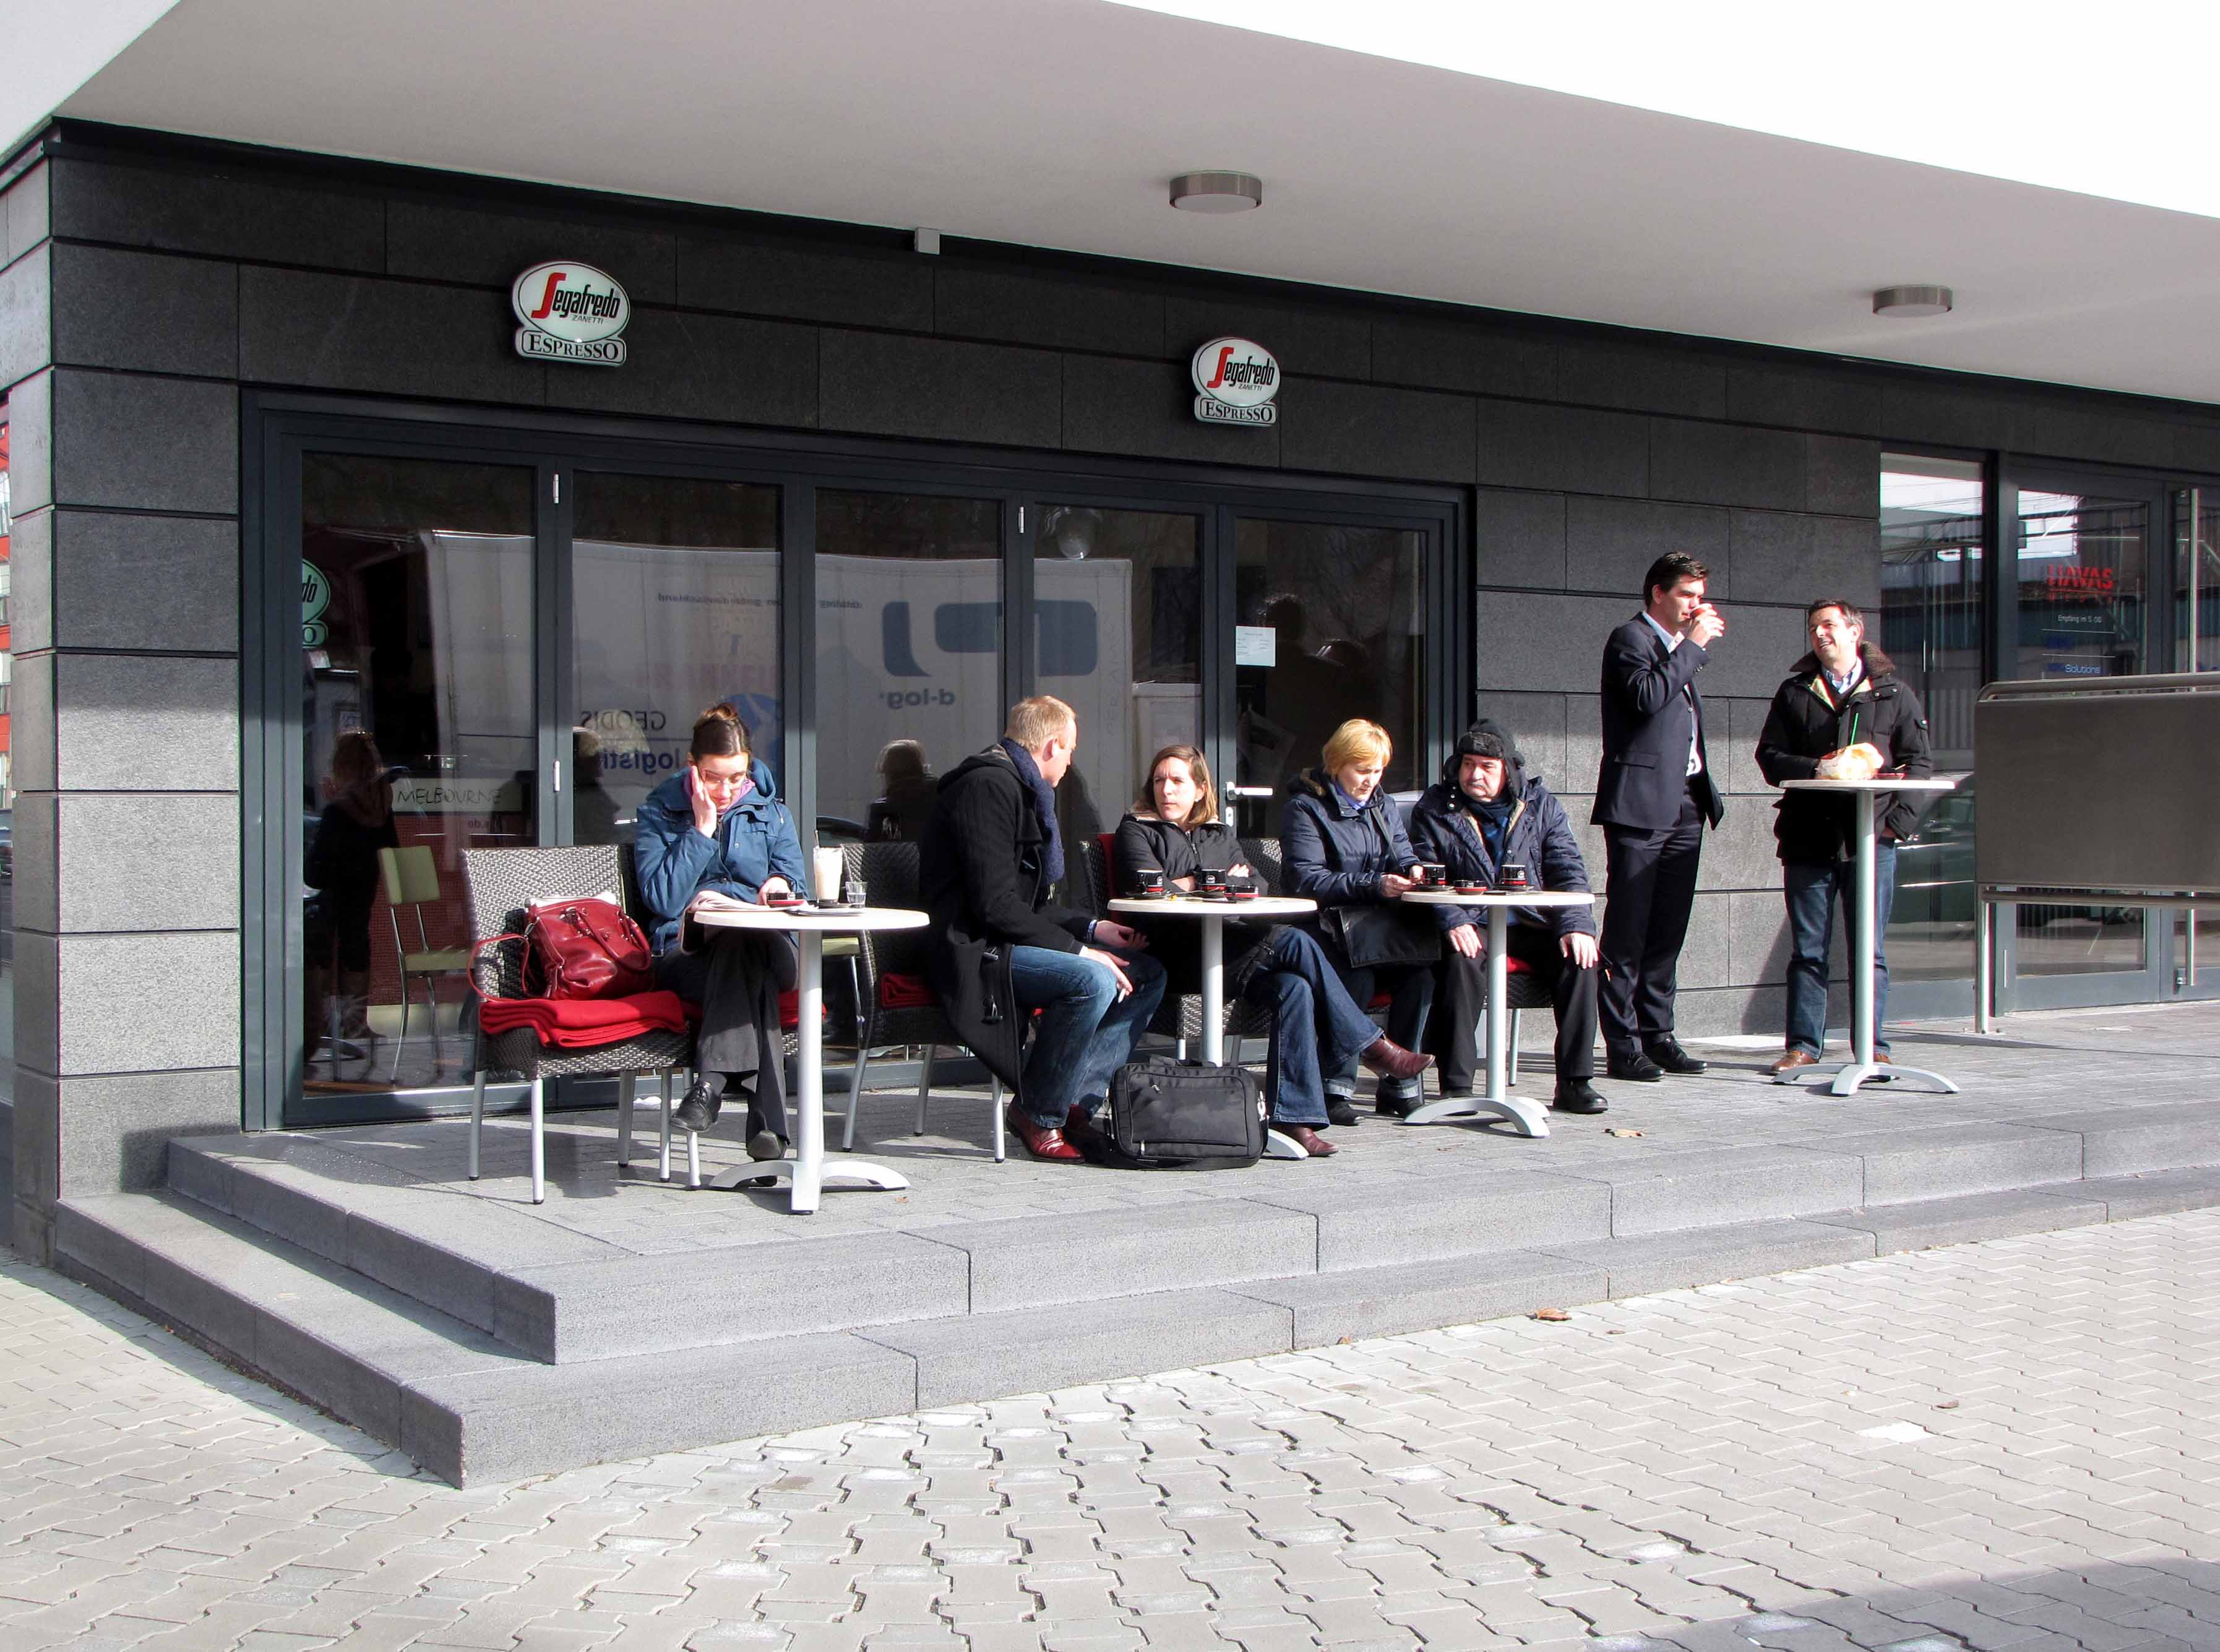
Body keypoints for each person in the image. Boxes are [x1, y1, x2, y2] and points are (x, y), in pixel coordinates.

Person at [1115, 744, 1432, 1156]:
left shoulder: (1217, 832)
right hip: (1176, 958)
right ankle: (1370, 1045)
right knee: (1296, 941)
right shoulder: (1137, 830)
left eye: (1177, 781)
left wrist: (1206, 883)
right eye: (1159, 780)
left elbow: (1257, 886)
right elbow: (1152, 889)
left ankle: (1294, 1119)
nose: (1166, 790)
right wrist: (1205, 883)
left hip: (1231, 951)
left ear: (1199, 790)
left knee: (1295, 987)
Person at [919, 695, 1166, 1162]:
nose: (1072, 760)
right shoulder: (987, 788)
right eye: (1071, 750)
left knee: (1145, 972)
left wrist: (1095, 929)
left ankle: (1073, 1100)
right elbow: (995, 907)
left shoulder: (1023, 789)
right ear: (1053, 745)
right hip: (973, 952)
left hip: (1004, 940)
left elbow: (1027, 906)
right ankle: (1039, 1111)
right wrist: (1080, 951)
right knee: (1090, 978)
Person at [1755, 598, 1934, 1077]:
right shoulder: (1795, 691)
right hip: (1808, 838)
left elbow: (1919, 763)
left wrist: (1897, 826)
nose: (1820, 635)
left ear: (1856, 632)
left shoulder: (1892, 692)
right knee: (1808, 949)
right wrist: (1817, 767)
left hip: (1871, 840)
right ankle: (1803, 1046)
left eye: (1830, 626)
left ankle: (1871, 1044)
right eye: (1814, 628)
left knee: (1869, 947)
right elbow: (1769, 757)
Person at [634, 703, 809, 1162]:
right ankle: (768, 1131)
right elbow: (663, 900)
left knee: (742, 942)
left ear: (749, 764)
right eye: (714, 777)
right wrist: (702, 829)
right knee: (745, 966)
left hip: (772, 949)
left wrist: (780, 885)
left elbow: (799, 887)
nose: (727, 789)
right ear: (692, 768)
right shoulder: (660, 812)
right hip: (685, 956)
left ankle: (710, 1084)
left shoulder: (772, 813)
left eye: (737, 777)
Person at [1411, 721, 1607, 1114]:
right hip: (1471, 919)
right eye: (1467, 764)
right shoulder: (1435, 806)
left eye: (1486, 766)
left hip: (1531, 920)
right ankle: (1457, 1087)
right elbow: (1421, 868)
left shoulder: (1540, 804)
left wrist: (1576, 924)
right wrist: (1451, 917)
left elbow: (1567, 867)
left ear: (1509, 770)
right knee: (1460, 961)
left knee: (1583, 961)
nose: (1474, 775)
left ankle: (1575, 1081)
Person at [1593, 552, 1727, 1083]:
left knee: (1668, 927)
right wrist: (1693, 644)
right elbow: (1647, 698)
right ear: (1657, 594)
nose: (1697, 605)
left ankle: (1659, 1033)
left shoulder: (1674, 648)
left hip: (1686, 801)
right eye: (1686, 595)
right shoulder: (1631, 639)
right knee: (1629, 928)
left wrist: (1686, 647)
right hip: (1641, 805)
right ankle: (1622, 1043)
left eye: (1699, 595)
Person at [1280, 719, 1440, 1117]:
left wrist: (1415, 870)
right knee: (1359, 975)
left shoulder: (1381, 805)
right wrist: (1374, 884)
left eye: (1378, 770)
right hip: (1325, 926)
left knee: (1419, 976)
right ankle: (1336, 1087)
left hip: (1373, 927)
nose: (1371, 780)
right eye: (1362, 770)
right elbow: (1306, 879)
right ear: (1337, 764)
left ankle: (1400, 1083)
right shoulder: (1305, 807)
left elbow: (1403, 853)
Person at [304, 729, 399, 1076]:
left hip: (330, 897)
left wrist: (331, 805)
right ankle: (354, 1021)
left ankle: (320, 1023)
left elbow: (314, 873)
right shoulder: (380, 805)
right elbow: (391, 849)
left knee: (318, 948)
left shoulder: (337, 812)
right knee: (356, 944)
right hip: (364, 888)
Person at [867, 739, 937, 843]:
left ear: (890, 774)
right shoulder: (944, 796)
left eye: (883, 773)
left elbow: (890, 850)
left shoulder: (887, 809)